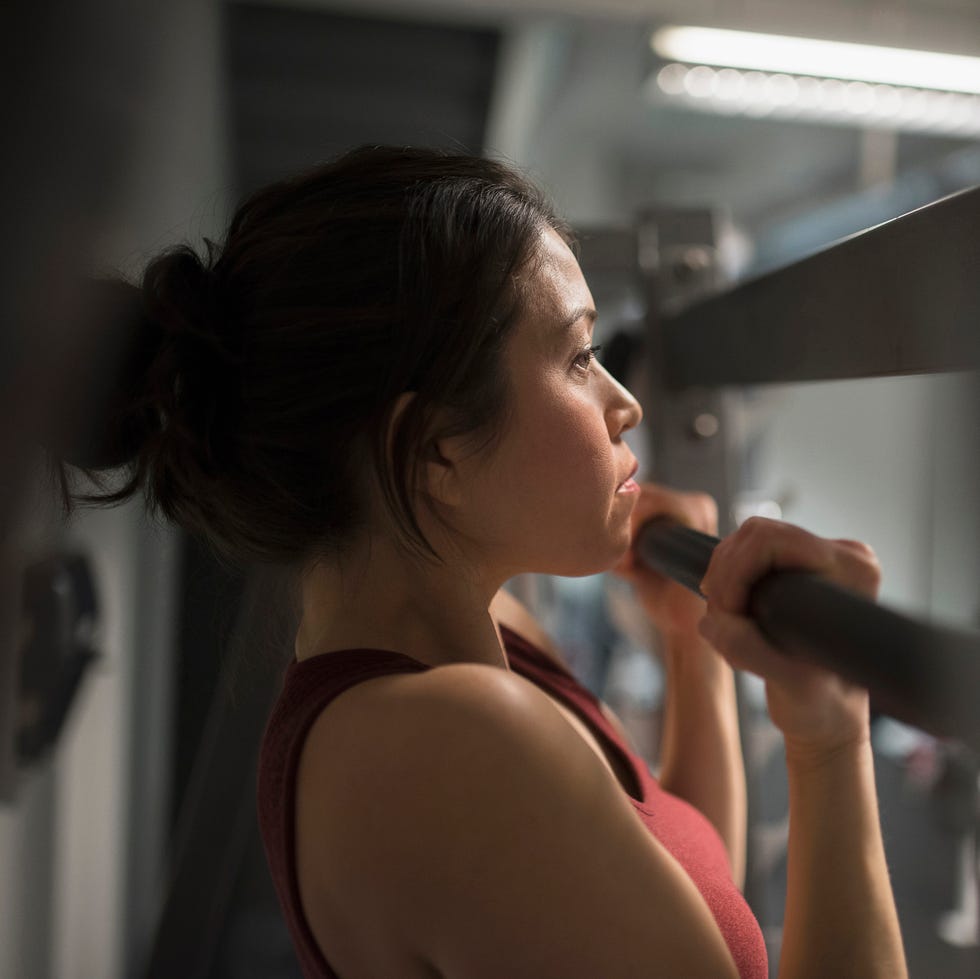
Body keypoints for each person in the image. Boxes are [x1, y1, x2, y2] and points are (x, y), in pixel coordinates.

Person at [59, 146, 908, 978]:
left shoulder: (478, 637)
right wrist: (830, 736)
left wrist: (690, 645)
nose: (625, 402)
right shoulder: (453, 740)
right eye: (579, 356)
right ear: (436, 453)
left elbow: (682, 885)